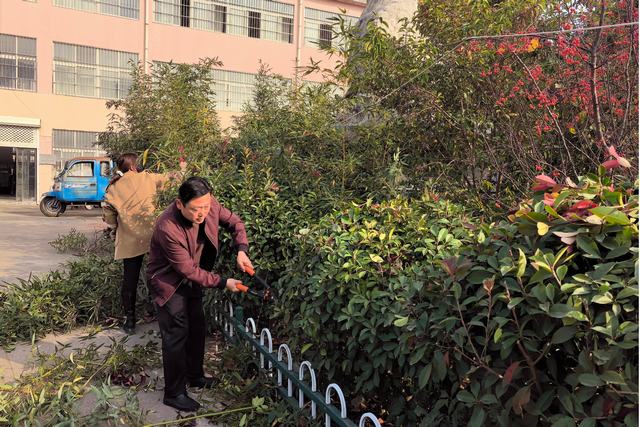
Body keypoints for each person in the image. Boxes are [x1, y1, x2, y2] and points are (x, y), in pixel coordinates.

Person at [147, 176, 252, 412]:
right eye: (195, 209)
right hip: (169, 282)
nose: (202, 213)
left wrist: (242, 250)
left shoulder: (209, 204)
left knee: (197, 328)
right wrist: (223, 282)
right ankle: (174, 393)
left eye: (206, 206)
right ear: (179, 204)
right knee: (176, 334)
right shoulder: (167, 227)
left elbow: (235, 223)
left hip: (193, 277)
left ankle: (195, 376)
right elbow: (187, 270)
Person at [102, 153, 167, 334]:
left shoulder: (113, 187)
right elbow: (171, 179)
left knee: (130, 280)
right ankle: (160, 314)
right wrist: (183, 168)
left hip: (129, 239)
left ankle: (130, 321)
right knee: (159, 276)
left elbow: (108, 214)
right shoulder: (147, 178)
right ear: (133, 166)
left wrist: (115, 228)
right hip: (154, 237)